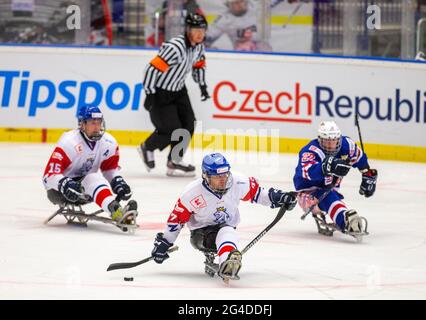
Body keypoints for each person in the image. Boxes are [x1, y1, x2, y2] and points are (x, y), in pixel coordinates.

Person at [149, 153, 297, 282]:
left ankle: (228, 262)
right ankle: (228, 260)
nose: (223, 179)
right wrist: (164, 243)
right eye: (217, 176)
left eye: (225, 175)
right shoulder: (192, 193)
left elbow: (258, 194)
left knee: (226, 230)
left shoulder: (238, 182)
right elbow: (176, 220)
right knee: (226, 231)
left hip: (226, 229)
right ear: (206, 176)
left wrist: (279, 197)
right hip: (202, 235)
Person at [139, 13, 210, 177]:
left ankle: (174, 160)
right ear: (187, 30)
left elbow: (199, 66)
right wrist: (150, 93)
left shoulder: (199, 47)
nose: (199, 33)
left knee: (189, 125)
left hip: (179, 91)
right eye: (195, 29)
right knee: (172, 129)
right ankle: (147, 147)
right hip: (161, 92)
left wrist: (202, 85)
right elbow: (151, 69)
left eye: (202, 29)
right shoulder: (175, 47)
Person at [43, 106, 137, 227]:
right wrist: (64, 184)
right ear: (82, 124)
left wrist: (117, 182)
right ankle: (118, 213)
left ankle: (118, 212)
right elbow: (48, 176)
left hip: (84, 189)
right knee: (92, 177)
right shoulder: (69, 142)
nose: (97, 127)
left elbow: (109, 169)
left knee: (93, 178)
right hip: (58, 191)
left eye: (99, 122)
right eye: (93, 123)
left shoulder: (108, 142)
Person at [293, 120, 378, 239]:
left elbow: (359, 157)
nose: (331, 145)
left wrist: (367, 174)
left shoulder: (346, 145)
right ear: (320, 140)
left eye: (334, 141)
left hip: (331, 187)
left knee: (330, 195)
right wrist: (325, 167)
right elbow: (306, 171)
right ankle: (345, 220)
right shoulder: (310, 151)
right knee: (328, 197)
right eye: (327, 142)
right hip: (307, 191)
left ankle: (346, 218)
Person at [205, 0, 302, 51]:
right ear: (228, 4)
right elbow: (206, 38)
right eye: (236, 2)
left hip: (264, 52)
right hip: (243, 56)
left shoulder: (256, 6)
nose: (240, 4)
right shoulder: (223, 20)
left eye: (242, 1)